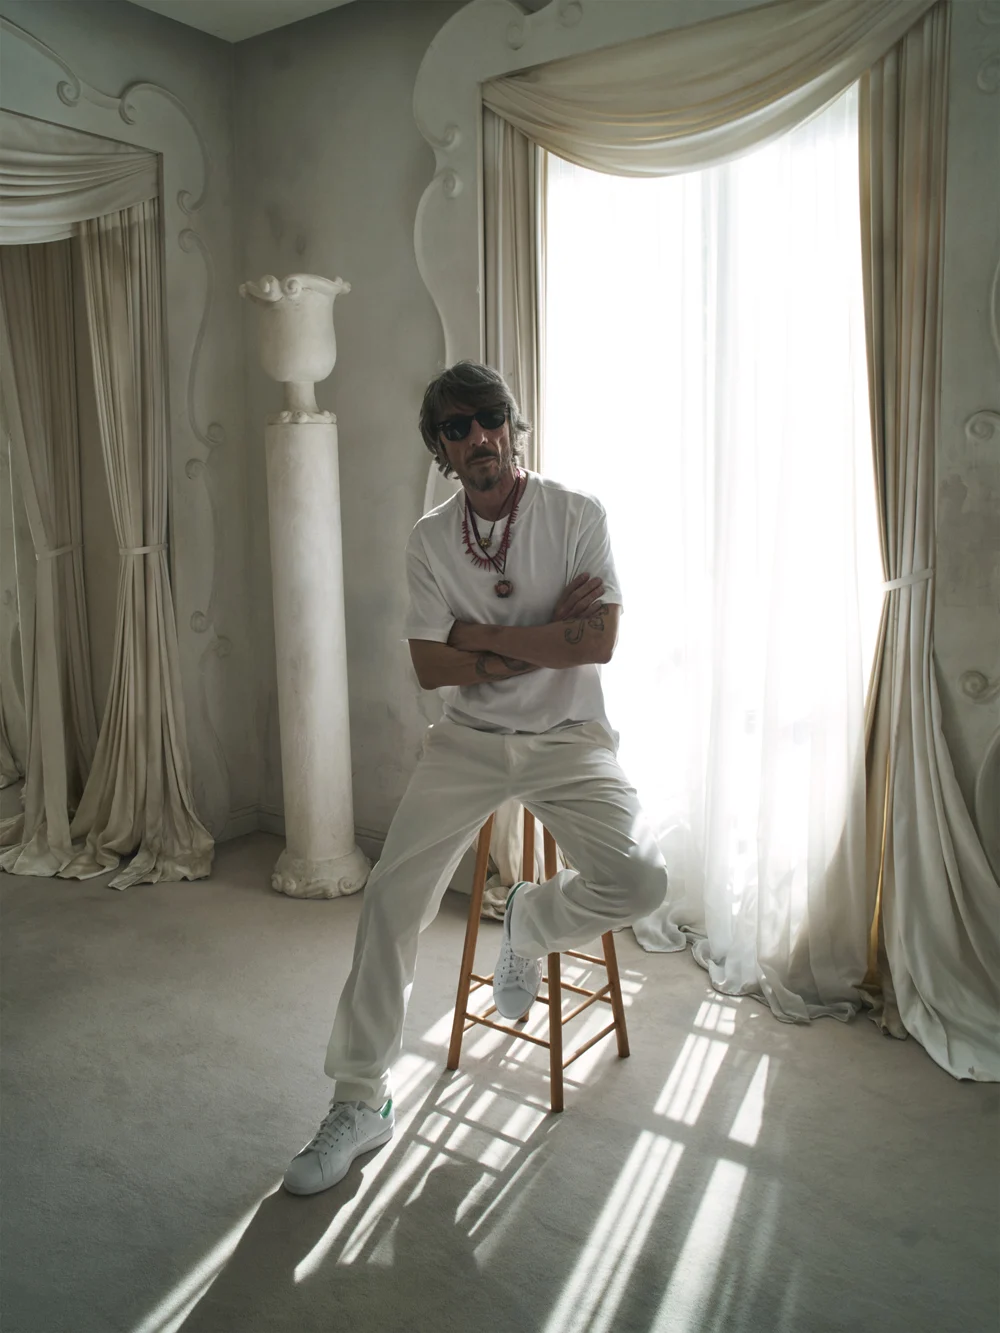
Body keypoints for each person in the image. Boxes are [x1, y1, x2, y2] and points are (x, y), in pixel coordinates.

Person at [283, 361, 667, 1196]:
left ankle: (532, 919)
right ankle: (360, 1099)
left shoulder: (576, 514)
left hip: (568, 736)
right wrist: (545, 633)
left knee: (643, 879)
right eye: (456, 428)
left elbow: (598, 643)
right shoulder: (431, 540)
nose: (478, 436)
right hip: (469, 741)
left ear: (512, 423)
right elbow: (431, 668)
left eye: (489, 416)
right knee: (391, 898)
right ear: (441, 448)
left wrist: (480, 637)